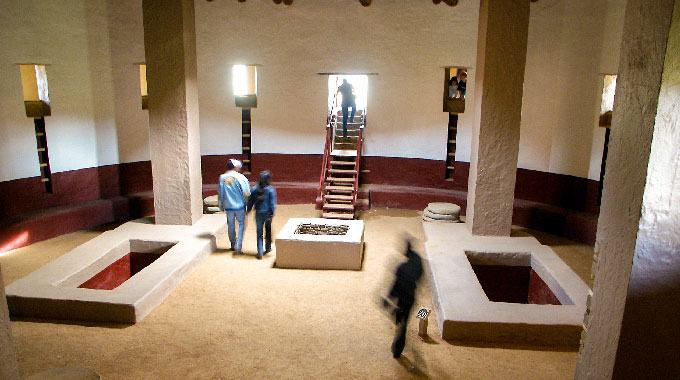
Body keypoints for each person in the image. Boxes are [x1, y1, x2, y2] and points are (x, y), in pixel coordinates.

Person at [383, 237, 423, 359]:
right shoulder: (417, 260)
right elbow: (420, 276)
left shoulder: (402, 267)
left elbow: (396, 285)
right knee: (403, 322)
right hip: (411, 297)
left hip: (403, 298)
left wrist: (388, 298)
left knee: (401, 323)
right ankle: (398, 345)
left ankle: (397, 350)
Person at [218, 159, 250, 255]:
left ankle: (232, 243)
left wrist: (221, 205)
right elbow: (246, 193)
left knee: (230, 225)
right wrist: (248, 204)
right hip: (240, 206)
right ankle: (238, 245)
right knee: (241, 225)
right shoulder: (242, 178)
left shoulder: (222, 177)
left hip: (228, 206)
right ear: (236, 167)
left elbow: (221, 193)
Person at [247, 170, 277, 260]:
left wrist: (248, 210)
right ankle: (267, 247)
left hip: (258, 213)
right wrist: (272, 213)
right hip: (267, 213)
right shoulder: (271, 190)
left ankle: (260, 251)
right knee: (268, 230)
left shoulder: (255, 189)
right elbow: (272, 204)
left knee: (259, 232)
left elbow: (250, 201)